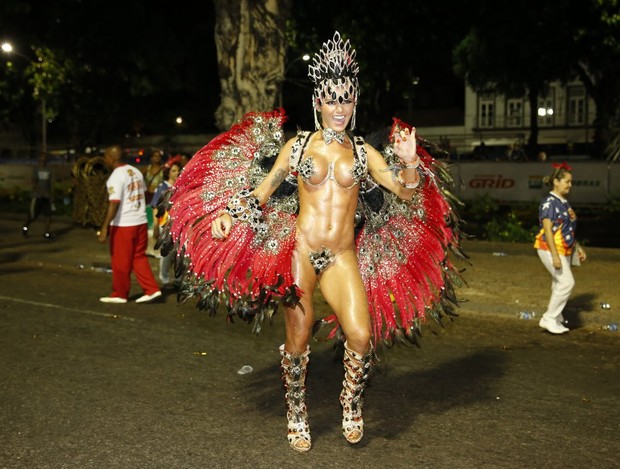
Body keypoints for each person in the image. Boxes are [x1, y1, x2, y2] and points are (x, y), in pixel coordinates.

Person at [161, 32, 464, 452]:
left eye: (347, 99)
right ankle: (297, 410)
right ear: (318, 101)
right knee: (299, 338)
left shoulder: (362, 153)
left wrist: (411, 161)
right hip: (302, 252)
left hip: (341, 256)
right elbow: (264, 190)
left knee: (360, 336)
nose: (339, 108)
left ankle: (350, 403)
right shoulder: (298, 145)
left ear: (354, 102)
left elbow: (407, 192)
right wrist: (231, 214)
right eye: (332, 98)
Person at [97, 145, 162, 304]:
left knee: (120, 260)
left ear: (112, 158)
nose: (104, 160)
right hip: (140, 221)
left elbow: (114, 203)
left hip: (124, 224)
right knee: (138, 257)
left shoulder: (116, 176)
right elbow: (145, 194)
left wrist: (105, 227)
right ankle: (151, 289)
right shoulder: (137, 171)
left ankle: (120, 293)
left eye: (105, 156)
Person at [534, 162, 586, 334]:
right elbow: (548, 230)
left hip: (562, 248)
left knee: (559, 282)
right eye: (567, 181)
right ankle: (549, 318)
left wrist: (577, 247)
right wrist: (555, 256)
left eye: (571, 182)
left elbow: (567, 228)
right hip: (549, 248)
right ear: (556, 181)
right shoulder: (549, 202)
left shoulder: (563, 202)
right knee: (566, 282)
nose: (570, 185)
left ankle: (556, 317)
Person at [151, 158, 183, 289]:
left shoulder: (182, 186)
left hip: (181, 224)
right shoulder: (162, 188)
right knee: (166, 254)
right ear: (168, 172)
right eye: (173, 170)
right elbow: (155, 207)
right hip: (165, 224)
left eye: (178, 170)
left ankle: (178, 279)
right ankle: (164, 279)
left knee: (180, 253)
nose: (176, 173)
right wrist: (155, 226)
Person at [22, 151, 55, 239]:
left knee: (48, 216)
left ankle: (46, 233)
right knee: (32, 217)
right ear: (39, 159)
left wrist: (51, 194)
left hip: (46, 197)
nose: (43, 160)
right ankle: (25, 228)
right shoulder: (36, 169)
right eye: (42, 158)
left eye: (45, 158)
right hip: (37, 197)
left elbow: (50, 183)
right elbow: (34, 183)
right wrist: (41, 192)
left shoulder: (49, 170)